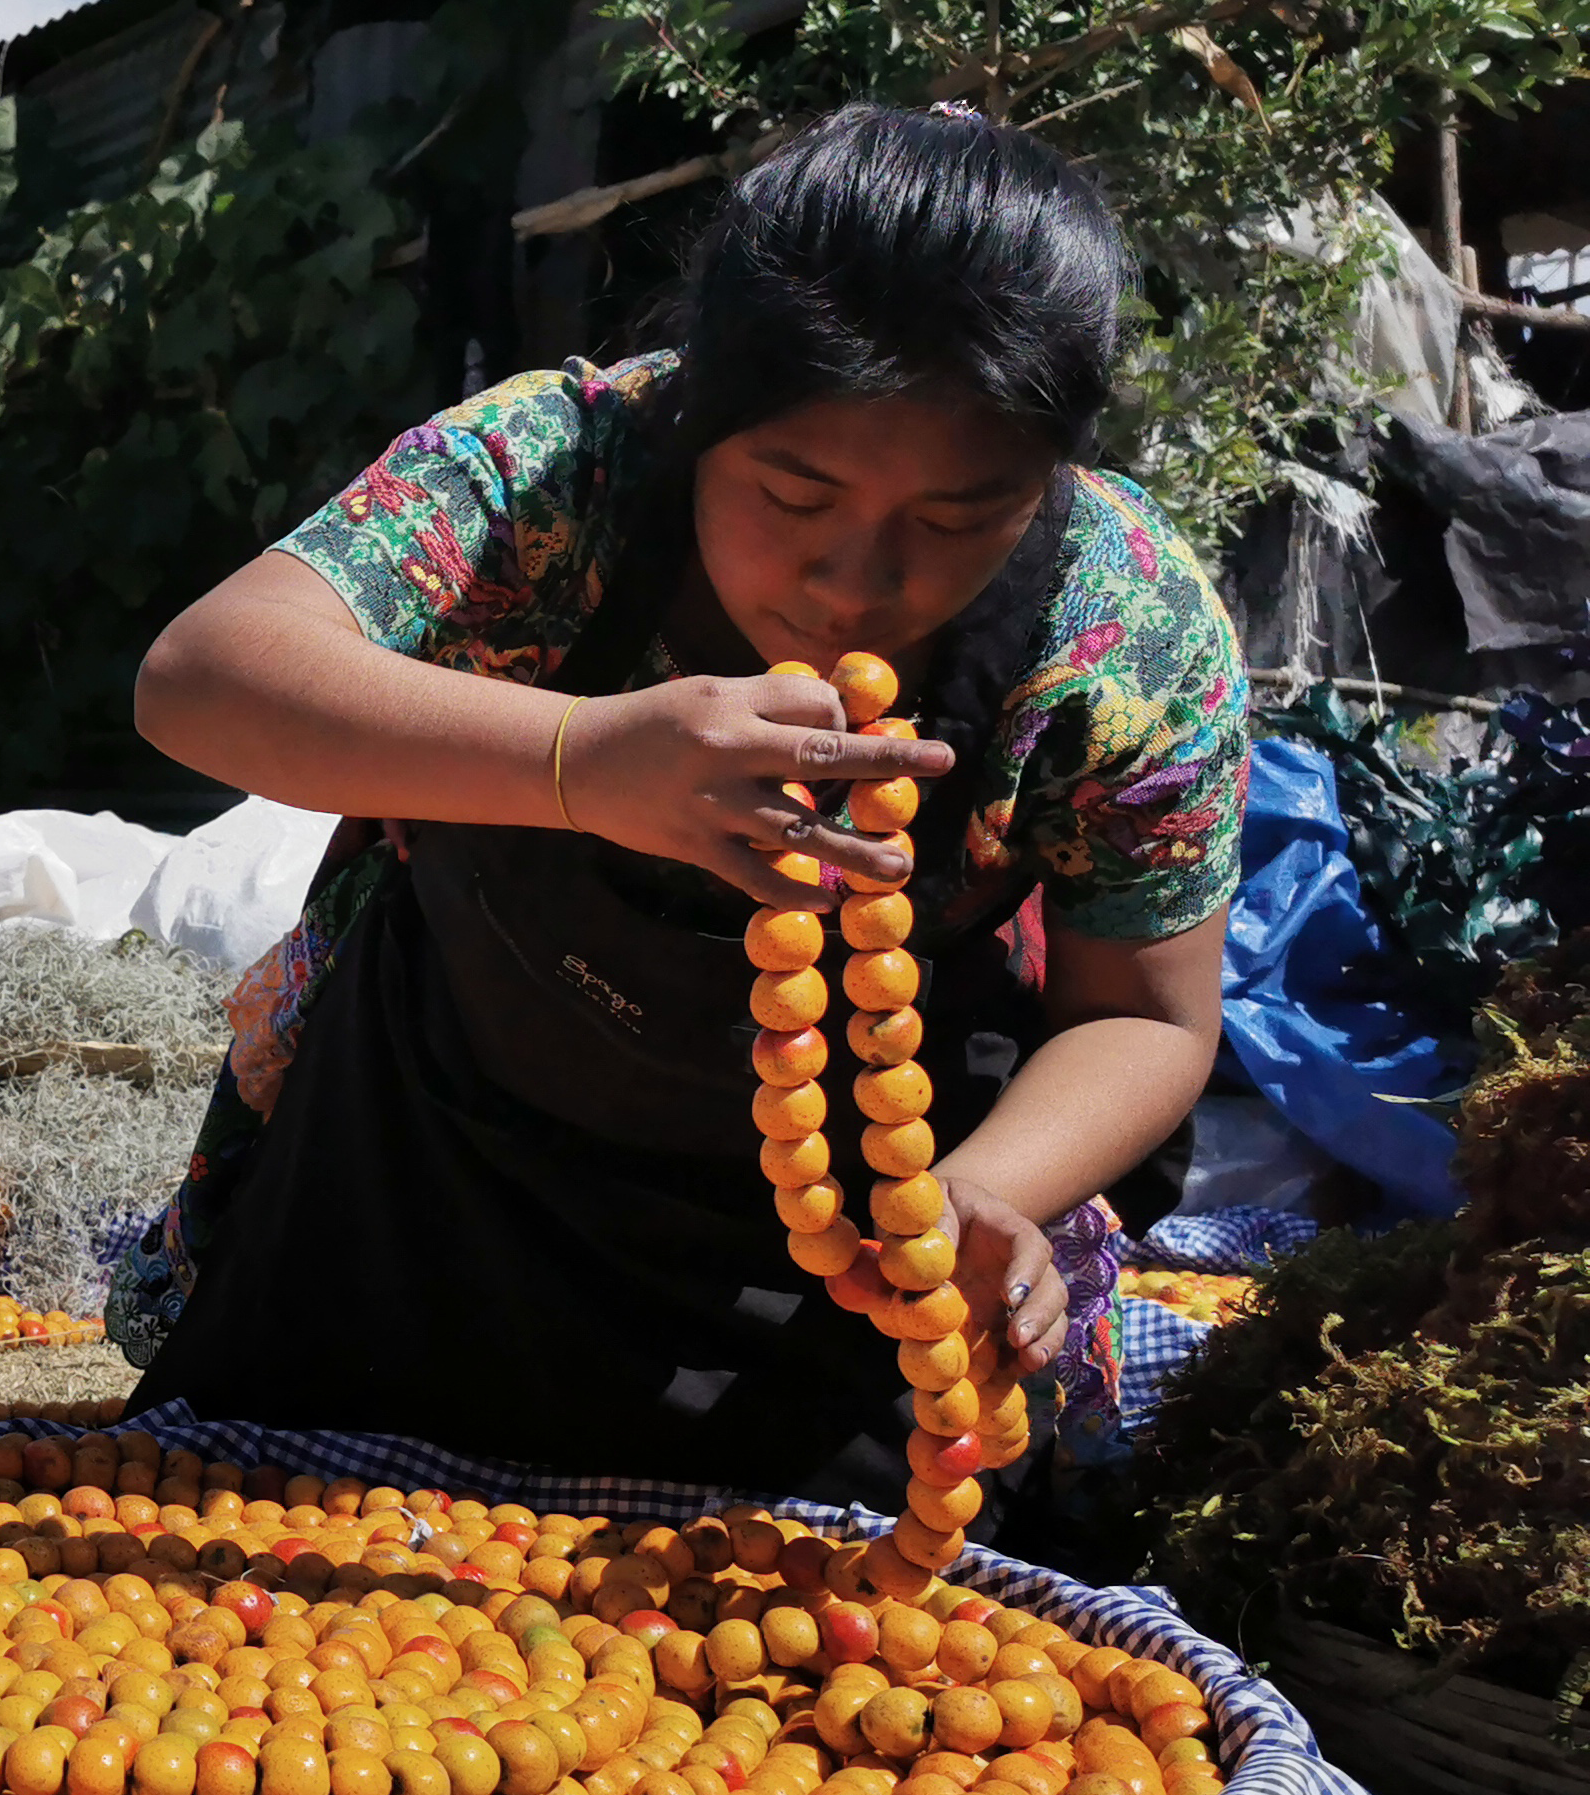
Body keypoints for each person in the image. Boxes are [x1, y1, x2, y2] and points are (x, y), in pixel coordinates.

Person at [116, 105, 1244, 1518]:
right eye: (793, 491)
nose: (852, 578)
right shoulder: (557, 472)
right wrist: (581, 762)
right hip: (431, 1162)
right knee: (230, 1549)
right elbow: (202, 678)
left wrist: (966, 1197)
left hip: (820, 1260)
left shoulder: (1126, 632)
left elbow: (1145, 1011)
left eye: (958, 520)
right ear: (702, 405)